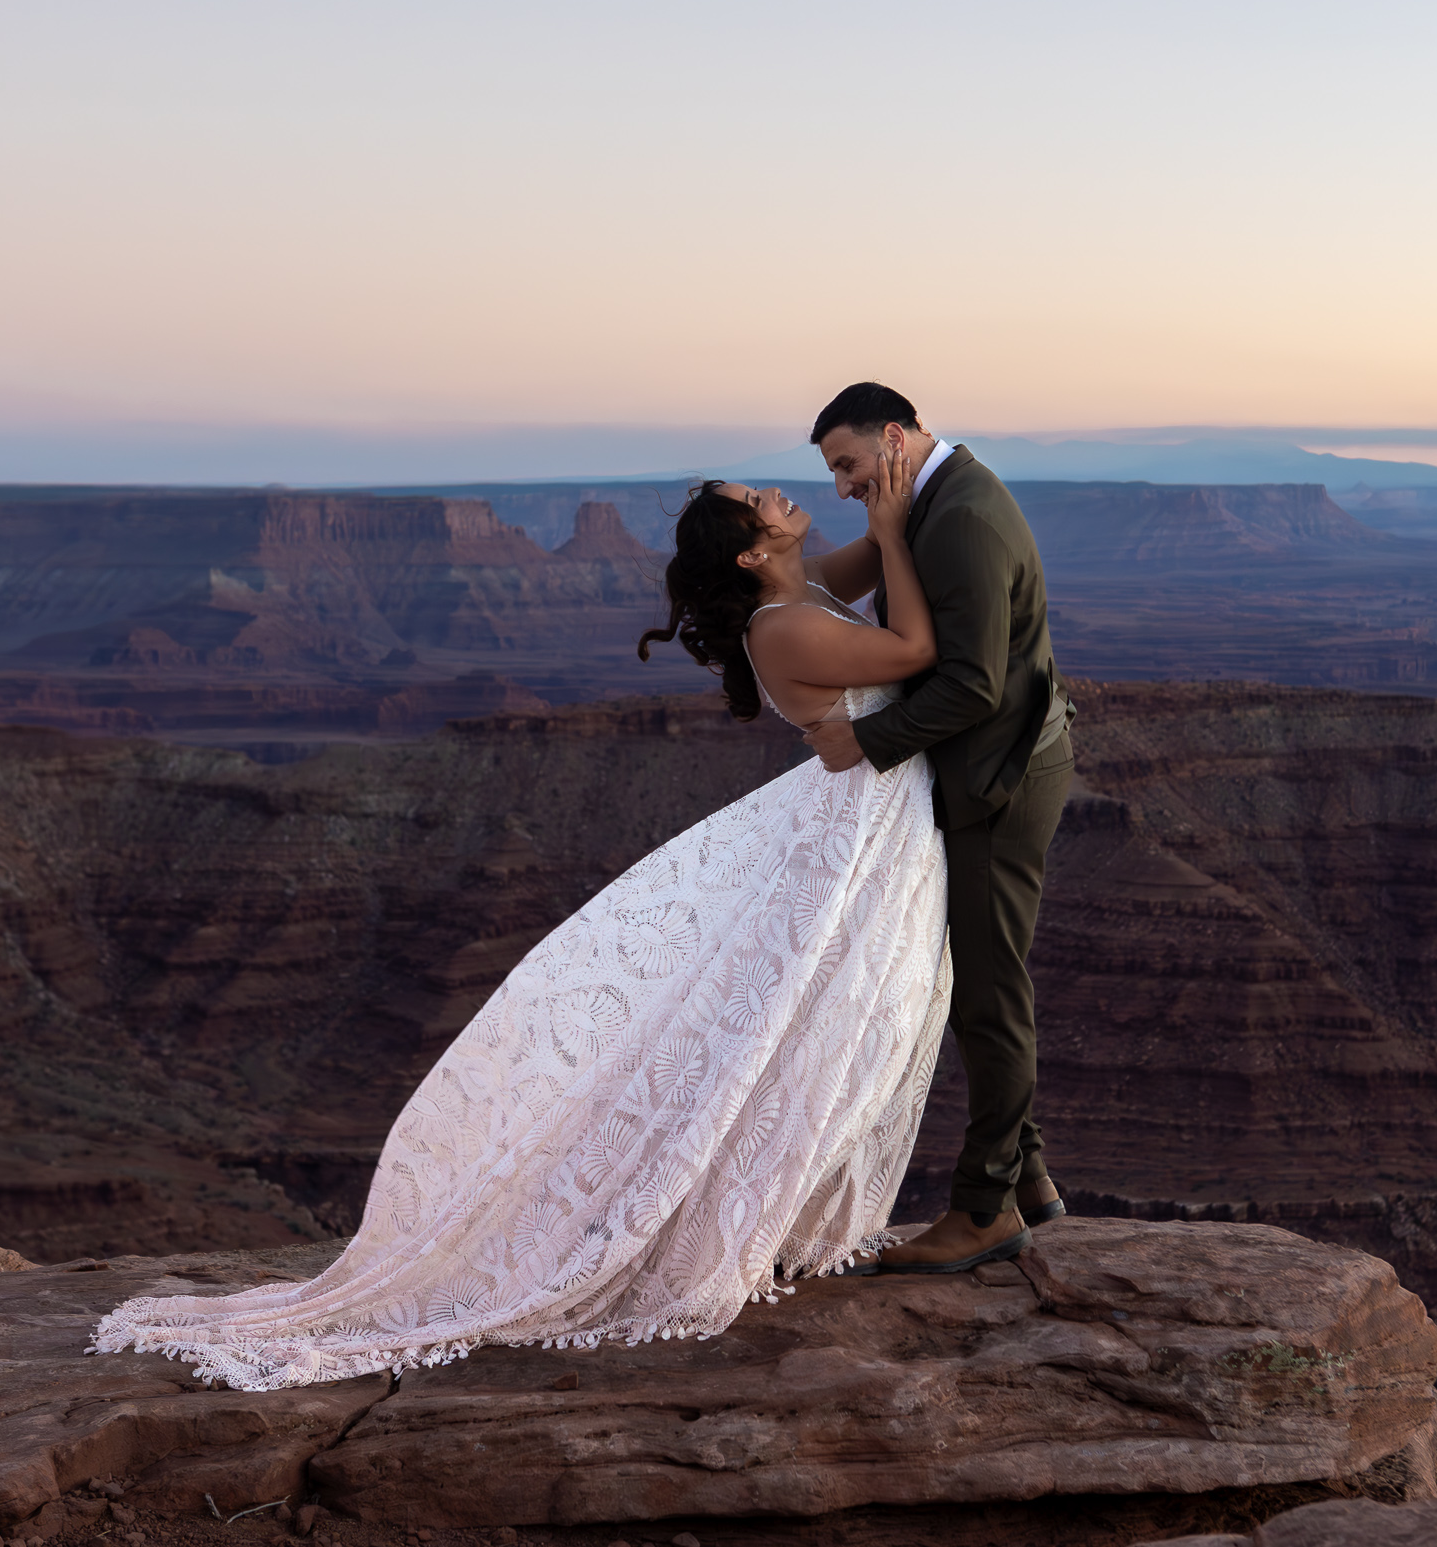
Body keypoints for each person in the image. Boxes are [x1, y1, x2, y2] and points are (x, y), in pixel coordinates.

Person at [89, 446, 959, 1390]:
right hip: (852, 839)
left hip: (876, 823)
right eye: (755, 501)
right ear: (752, 556)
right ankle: (703, 1221)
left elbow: (874, 562)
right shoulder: (783, 625)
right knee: (798, 1025)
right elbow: (914, 649)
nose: (775, 491)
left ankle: (772, 1215)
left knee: (833, 1026)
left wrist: (892, 496)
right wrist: (886, 508)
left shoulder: (801, 588)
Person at [798, 381, 1076, 1273]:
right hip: (988, 769)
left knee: (990, 995)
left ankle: (987, 1206)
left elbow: (974, 686)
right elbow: (826, 580)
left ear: (894, 436)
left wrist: (861, 740)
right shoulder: (926, 498)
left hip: (1000, 779)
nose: (842, 484)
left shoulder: (958, 518)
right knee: (974, 984)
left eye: (846, 464)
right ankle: (1029, 1176)